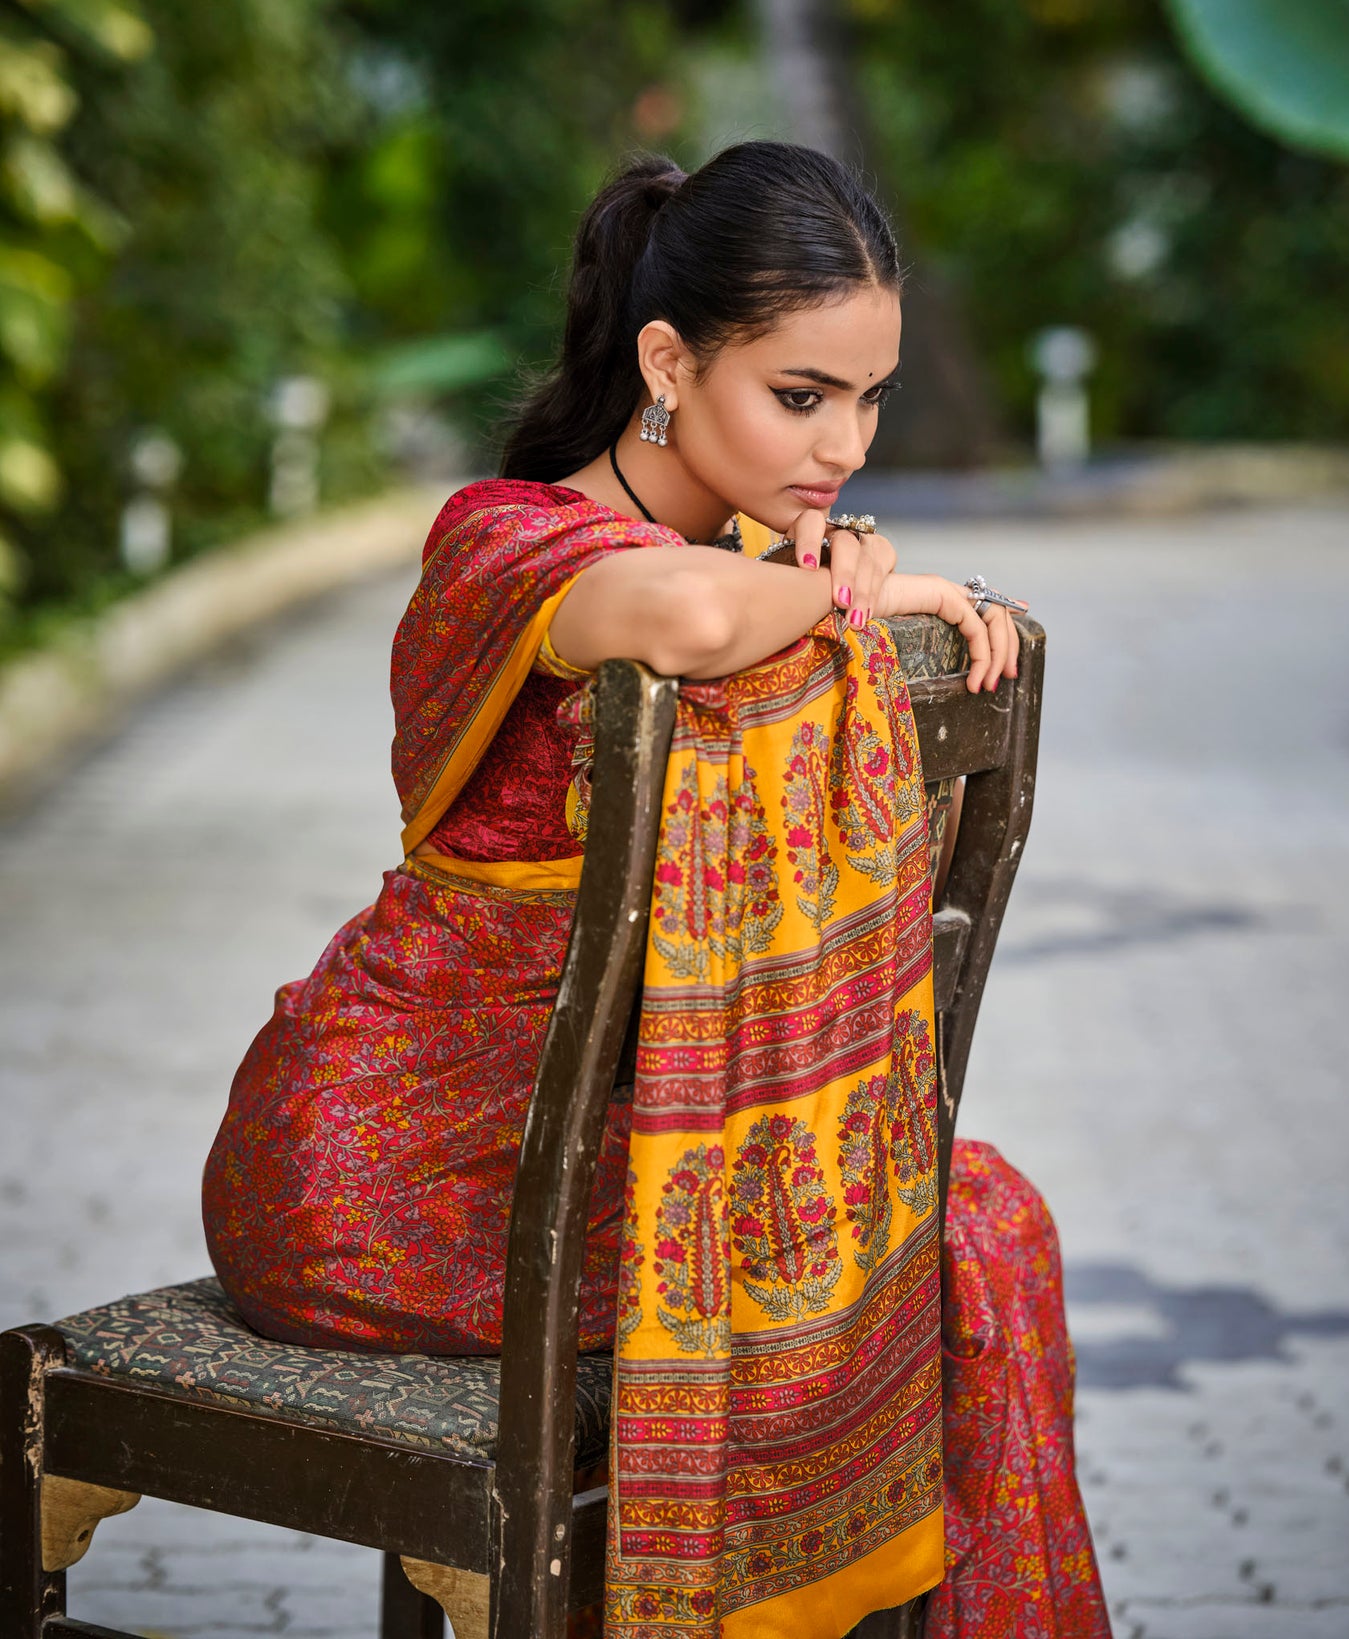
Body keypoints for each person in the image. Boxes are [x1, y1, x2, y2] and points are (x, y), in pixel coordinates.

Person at [203, 142, 1110, 1638]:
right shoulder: (508, 540)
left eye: (869, 399)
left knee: (973, 1230)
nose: (847, 447)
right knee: (936, 1246)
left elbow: (730, 597)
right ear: (668, 362)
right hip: (369, 1172)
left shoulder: (771, 566)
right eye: (801, 397)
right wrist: (860, 594)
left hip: (598, 1162)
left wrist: (837, 587)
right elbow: (681, 612)